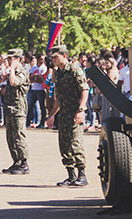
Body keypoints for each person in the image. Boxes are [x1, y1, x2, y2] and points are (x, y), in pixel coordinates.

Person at [46, 45, 89, 187]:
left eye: (55, 57)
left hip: (75, 113)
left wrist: (81, 109)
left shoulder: (75, 69)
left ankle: (82, 175)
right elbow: (58, 97)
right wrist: (52, 115)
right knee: (64, 145)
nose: (53, 59)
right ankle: (71, 175)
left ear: (64, 56)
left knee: (75, 143)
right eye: (52, 57)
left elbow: (84, 90)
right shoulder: (58, 72)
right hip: (63, 114)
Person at [2, 48, 30, 174]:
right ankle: (16, 161)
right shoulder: (12, 72)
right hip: (10, 107)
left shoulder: (21, 72)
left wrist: (12, 69)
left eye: (10, 59)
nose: (8, 61)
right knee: (10, 137)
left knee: (19, 136)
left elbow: (13, 82)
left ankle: (24, 163)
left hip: (18, 108)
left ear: (17, 59)